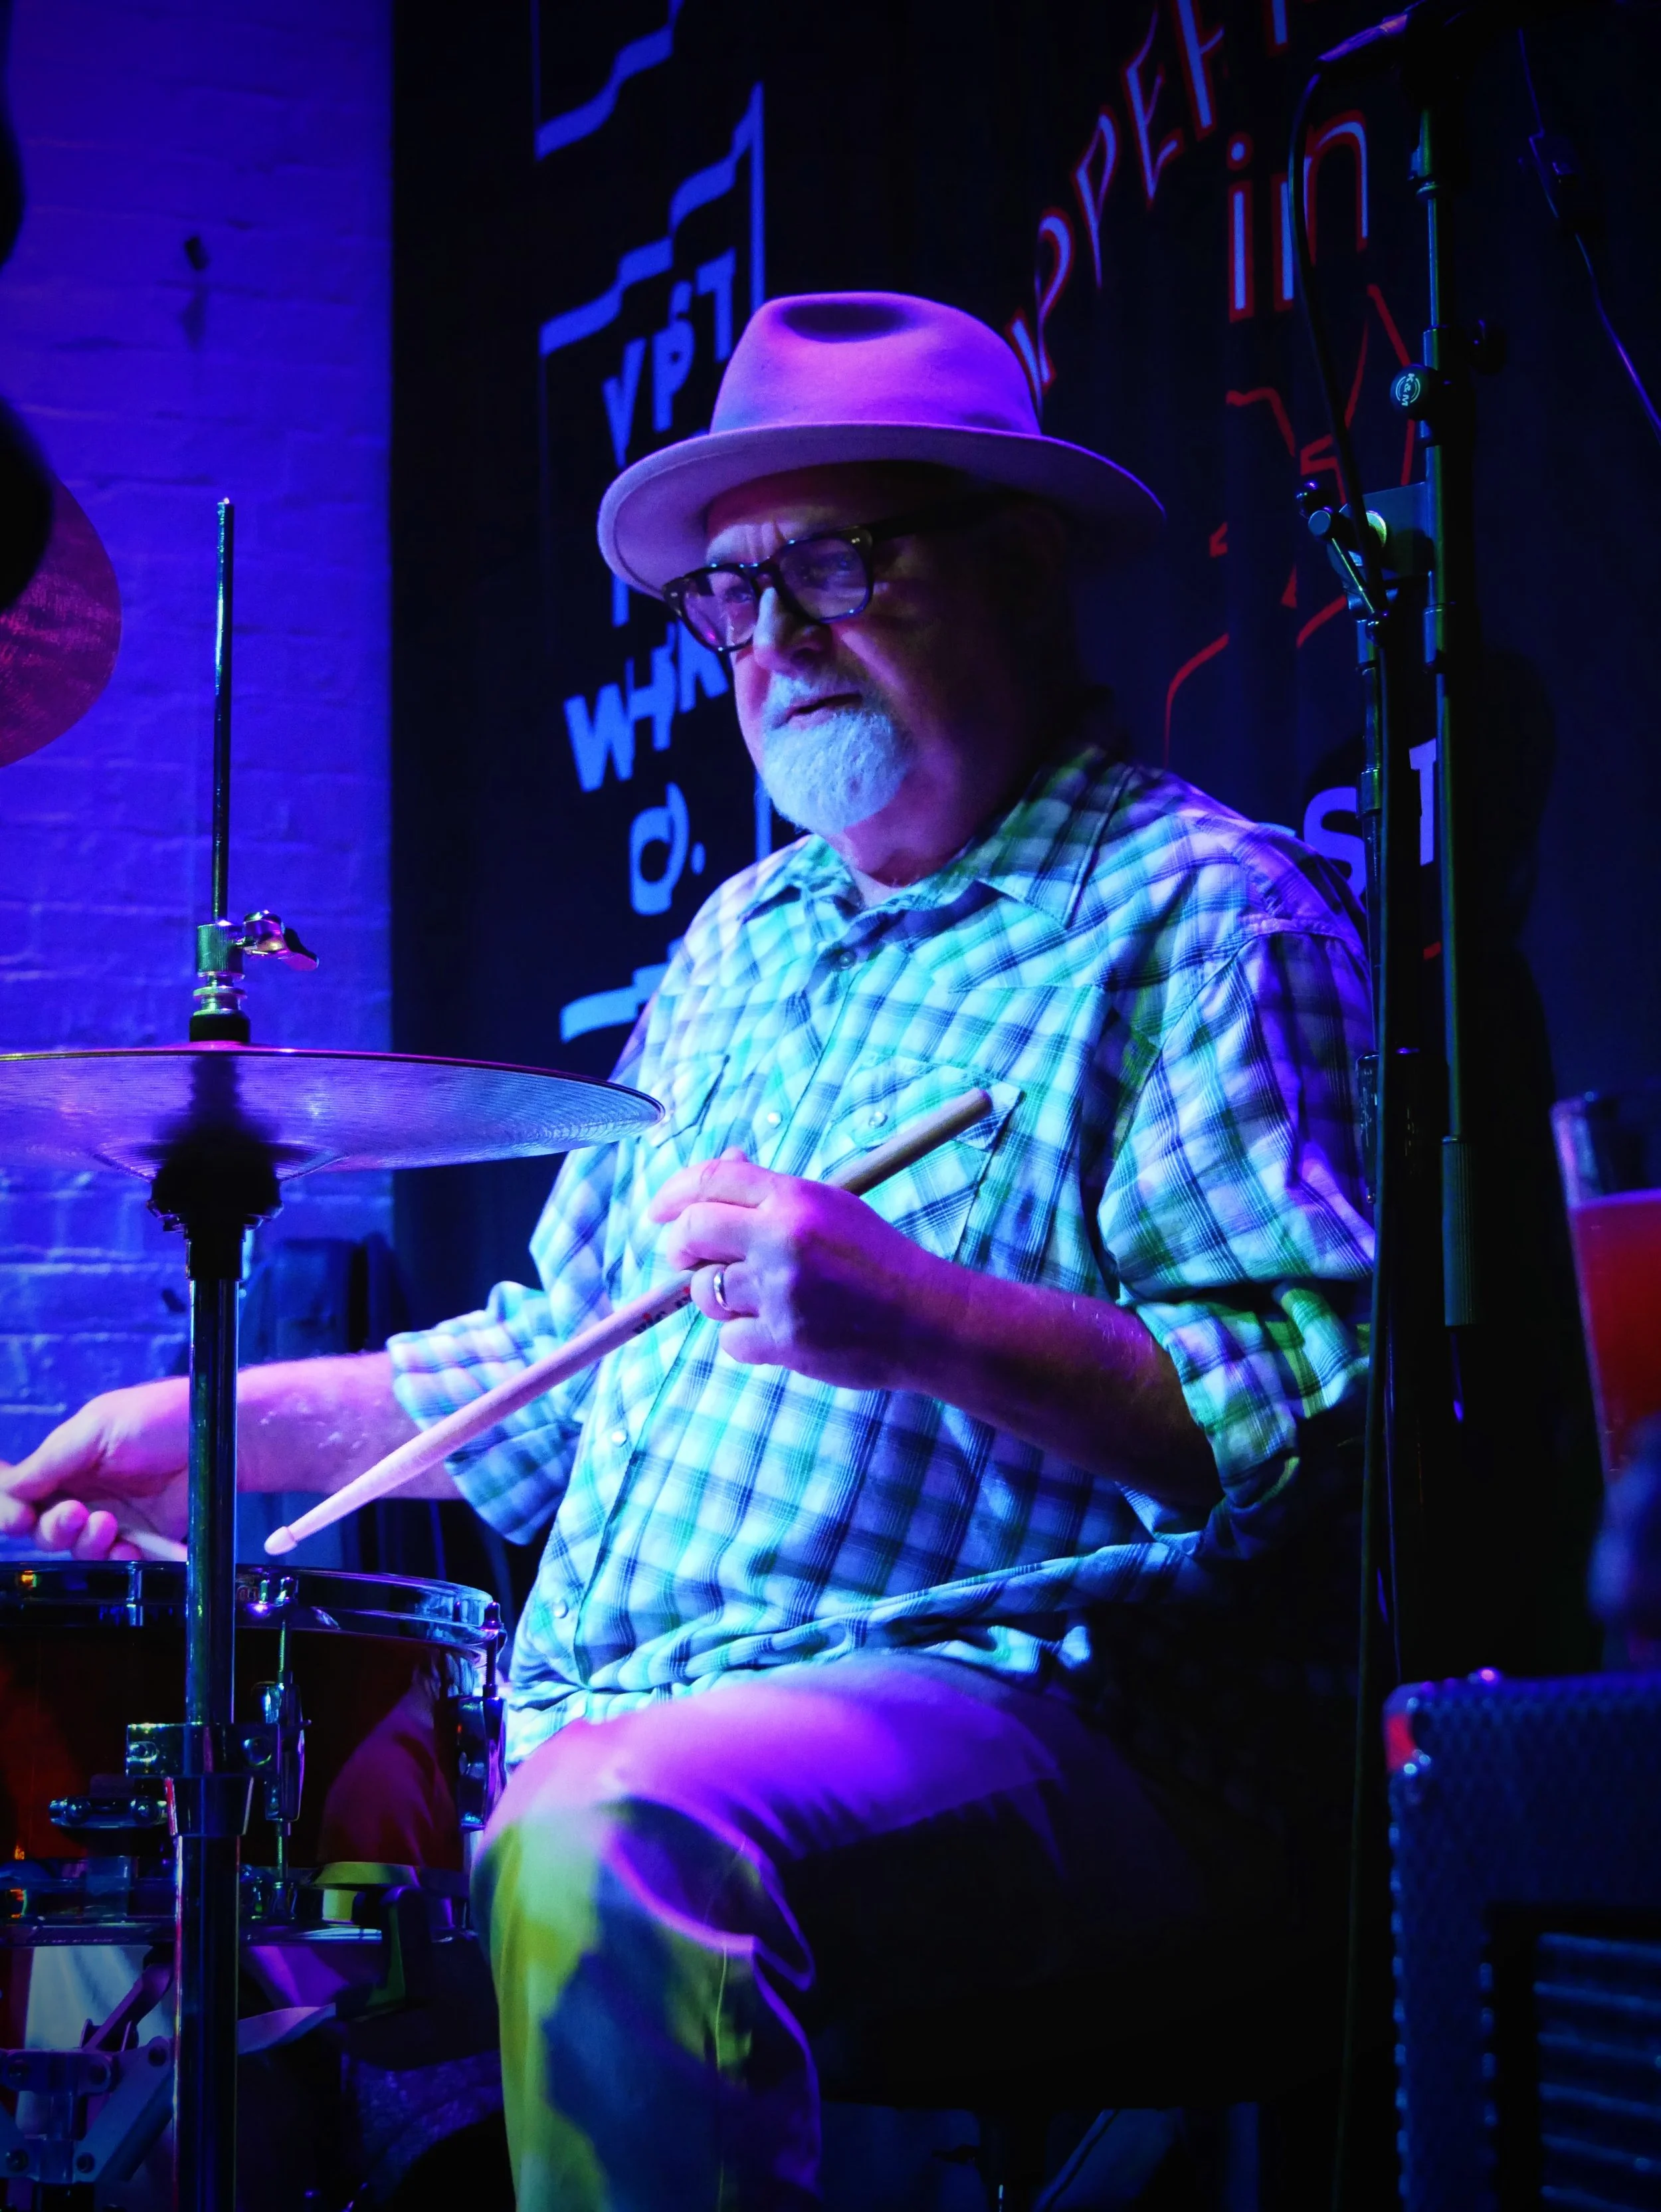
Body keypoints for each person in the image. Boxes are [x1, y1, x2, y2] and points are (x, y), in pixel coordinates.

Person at [0, 293, 1374, 2209]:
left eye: (836, 561)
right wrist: (198, 1430)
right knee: (173, 1847)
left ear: (1024, 566)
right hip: (618, 1710)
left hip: (1066, 1709)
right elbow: (556, 1368)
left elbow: (1312, 1439)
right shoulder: (740, 941)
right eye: (730, 595)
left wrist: (927, 1324)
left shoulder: (1201, 915)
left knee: (611, 1830)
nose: (774, 639)